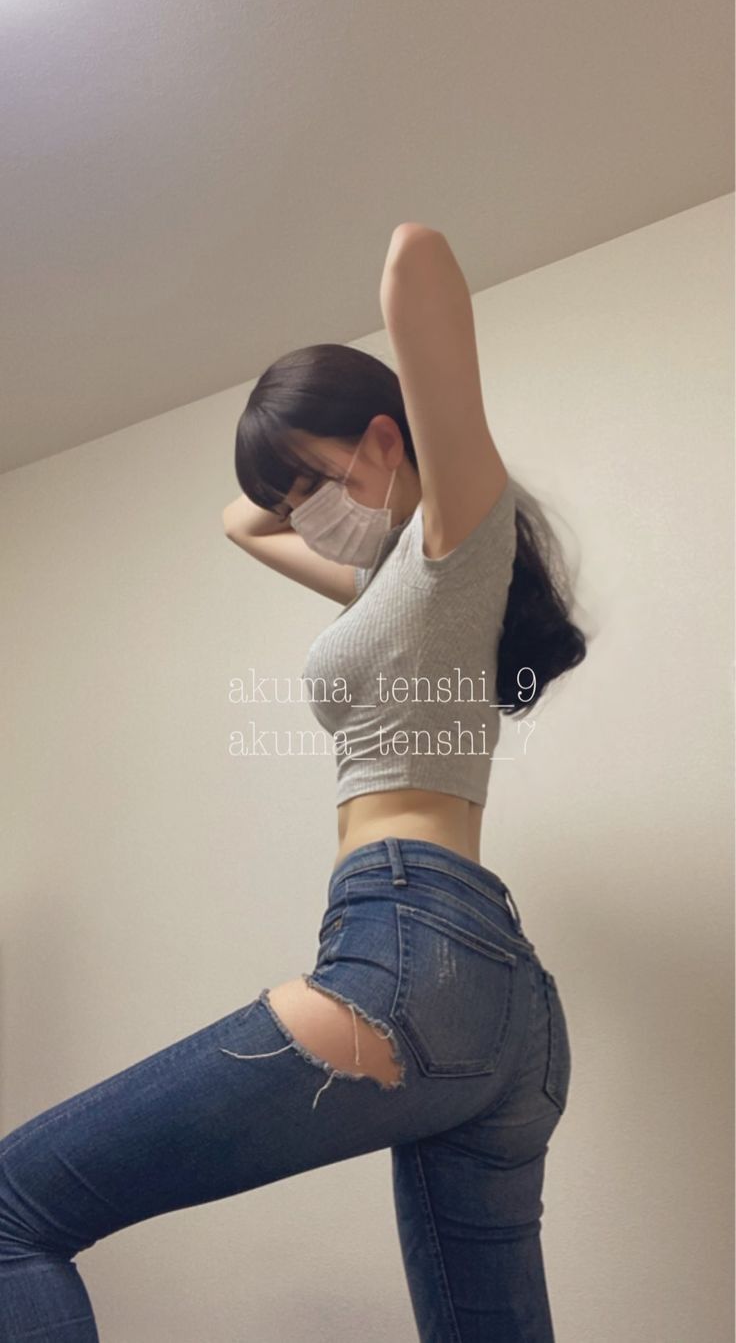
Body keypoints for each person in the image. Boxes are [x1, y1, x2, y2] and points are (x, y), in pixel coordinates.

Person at [0, 227, 586, 1341]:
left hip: (407, 946)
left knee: (11, 1206)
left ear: (385, 437)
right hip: (503, 1001)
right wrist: (325, 491)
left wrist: (391, 444)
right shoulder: (390, 584)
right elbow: (238, 519)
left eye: (313, 480)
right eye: (294, 495)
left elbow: (416, 260)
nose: (304, 508)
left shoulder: (457, 537)